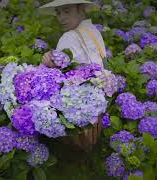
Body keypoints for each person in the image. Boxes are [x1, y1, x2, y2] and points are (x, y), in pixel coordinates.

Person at [39, 0, 106, 151]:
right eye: (58, 12)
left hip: (76, 106)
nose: (61, 18)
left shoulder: (69, 37)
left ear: (81, 9)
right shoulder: (93, 30)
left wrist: (48, 61)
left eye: (67, 11)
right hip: (97, 99)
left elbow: (57, 74)